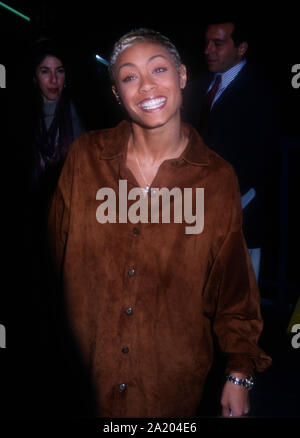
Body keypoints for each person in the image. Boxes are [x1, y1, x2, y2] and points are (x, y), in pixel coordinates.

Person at [47, 28, 271, 418]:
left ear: (182, 76)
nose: (146, 86)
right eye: (129, 76)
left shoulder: (216, 179)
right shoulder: (85, 159)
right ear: (117, 93)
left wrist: (239, 372)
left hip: (170, 389)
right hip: (85, 383)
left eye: (159, 69)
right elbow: (52, 256)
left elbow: (234, 289)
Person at [183, 18, 280, 282]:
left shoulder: (262, 91)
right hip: (192, 214)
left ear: (241, 48)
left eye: (218, 43)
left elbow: (259, 160)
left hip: (239, 215)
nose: (208, 50)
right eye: (206, 43)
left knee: (236, 301)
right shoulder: (197, 87)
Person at [30, 39, 86, 209]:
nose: (54, 80)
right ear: (35, 77)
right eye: (45, 71)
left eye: (59, 71)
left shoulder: (79, 114)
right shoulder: (23, 119)